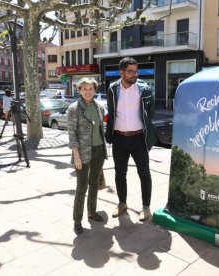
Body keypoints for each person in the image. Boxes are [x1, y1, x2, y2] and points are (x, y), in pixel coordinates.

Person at [105, 57, 157, 222]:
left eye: (136, 71)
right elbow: (112, 112)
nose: (135, 74)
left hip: (139, 139)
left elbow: (151, 112)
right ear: (122, 72)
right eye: (131, 71)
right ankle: (122, 203)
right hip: (119, 139)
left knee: (144, 173)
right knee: (120, 173)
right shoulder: (113, 89)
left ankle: (146, 207)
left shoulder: (144, 89)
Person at [67, 77, 107, 235]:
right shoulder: (73, 108)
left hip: (98, 151)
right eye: (84, 89)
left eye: (90, 89)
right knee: (81, 188)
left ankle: (92, 211)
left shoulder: (99, 107)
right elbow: (72, 134)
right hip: (82, 153)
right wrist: (75, 155)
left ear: (95, 90)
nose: (88, 92)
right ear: (79, 90)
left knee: (94, 183)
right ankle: (77, 221)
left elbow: (99, 129)